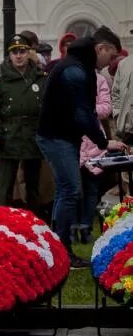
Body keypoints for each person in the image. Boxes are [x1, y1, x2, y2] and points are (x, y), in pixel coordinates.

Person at [36, 26, 126, 268]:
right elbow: (83, 114)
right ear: (100, 49)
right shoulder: (76, 71)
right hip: (57, 137)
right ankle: (62, 251)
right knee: (71, 190)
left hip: (60, 136)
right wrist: (104, 142)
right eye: (112, 55)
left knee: (65, 190)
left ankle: (56, 248)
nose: (111, 62)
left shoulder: (77, 65)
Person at [0, 34, 46, 215]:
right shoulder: (1, 77)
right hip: (8, 135)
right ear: (9, 55)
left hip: (33, 135)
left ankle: (35, 221)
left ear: (29, 53)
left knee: (33, 184)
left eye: (22, 51)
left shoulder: (39, 76)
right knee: (6, 184)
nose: (18, 55)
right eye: (14, 52)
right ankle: (4, 220)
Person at [77, 71, 113, 243]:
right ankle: (70, 229)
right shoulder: (65, 78)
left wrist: (87, 109)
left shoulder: (99, 79)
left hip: (93, 140)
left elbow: (106, 107)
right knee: (72, 191)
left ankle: (86, 229)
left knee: (92, 189)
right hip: (72, 140)